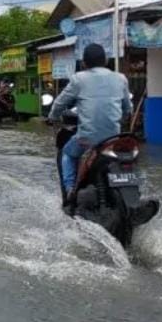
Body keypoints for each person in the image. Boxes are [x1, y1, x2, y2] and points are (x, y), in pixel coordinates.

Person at [47, 43, 131, 208]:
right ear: (106, 60)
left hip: (87, 139)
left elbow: (59, 103)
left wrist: (52, 117)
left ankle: (70, 190)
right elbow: (127, 108)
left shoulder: (79, 79)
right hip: (114, 139)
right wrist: (124, 118)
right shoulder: (121, 78)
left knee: (68, 154)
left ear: (84, 63)